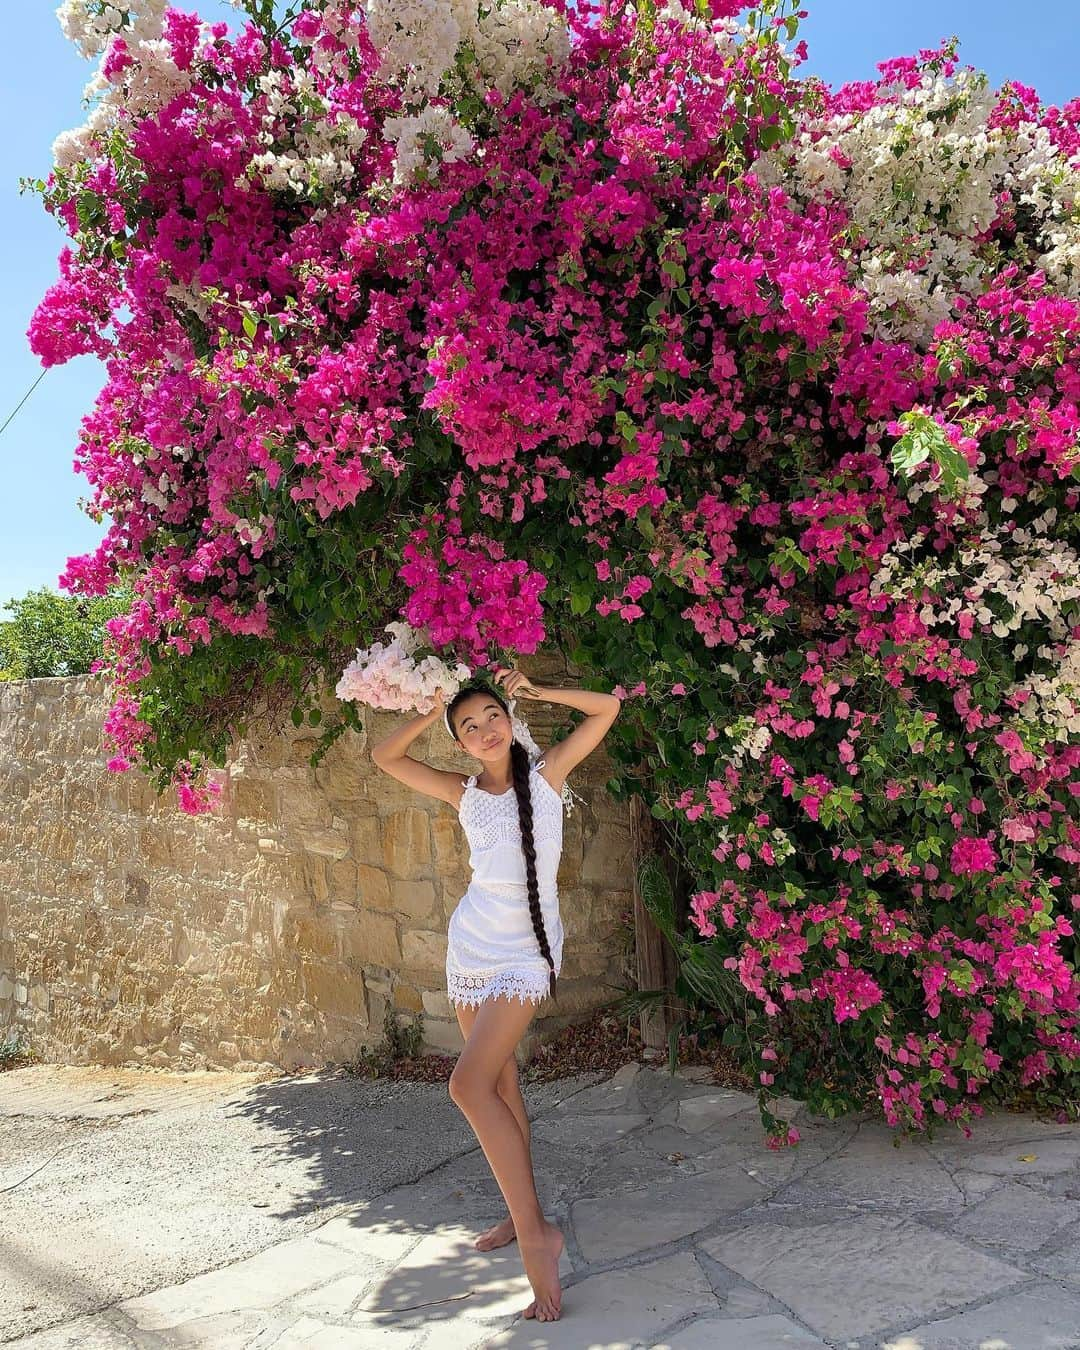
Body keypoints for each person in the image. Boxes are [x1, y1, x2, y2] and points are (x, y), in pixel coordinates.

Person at [370, 664, 621, 1323]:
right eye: (468, 726)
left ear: (510, 721)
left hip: (526, 954)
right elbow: (384, 754)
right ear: (458, 741)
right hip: (474, 947)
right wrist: (430, 710)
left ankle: (537, 1233)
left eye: (491, 717)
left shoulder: (546, 779)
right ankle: (521, 1217)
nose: (483, 730)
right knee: (501, 1090)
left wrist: (538, 691)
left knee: (467, 1085)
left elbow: (606, 708)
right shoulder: (462, 791)